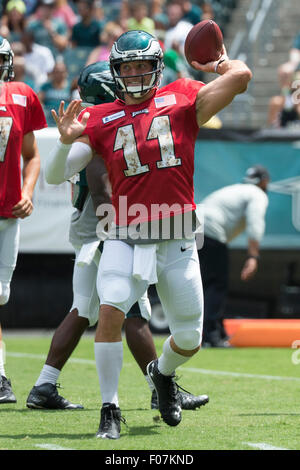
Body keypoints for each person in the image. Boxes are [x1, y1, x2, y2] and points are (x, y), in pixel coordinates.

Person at [47, 30, 251, 439]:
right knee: (110, 311)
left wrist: (217, 65)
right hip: (124, 230)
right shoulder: (101, 118)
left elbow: (242, 76)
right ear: (116, 71)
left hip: (176, 230)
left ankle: (163, 372)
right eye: (129, 67)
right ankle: (110, 409)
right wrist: (63, 143)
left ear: (157, 67)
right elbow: (56, 174)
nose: (137, 74)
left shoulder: (182, 96)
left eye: (143, 65)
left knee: (190, 336)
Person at [28, 61, 209, 412]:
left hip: (107, 225)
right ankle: (157, 389)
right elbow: (102, 193)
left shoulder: (105, 123)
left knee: (93, 308)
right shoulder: (102, 125)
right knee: (121, 311)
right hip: (109, 226)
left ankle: (46, 384)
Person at [0, 35, 47, 403]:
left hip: (7, 214)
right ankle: (1, 377)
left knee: (0, 295)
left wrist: (27, 191)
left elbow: (32, 155)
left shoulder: (21, 95)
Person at [197, 165, 270, 348]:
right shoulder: (257, 194)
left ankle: (215, 332)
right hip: (210, 232)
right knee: (216, 284)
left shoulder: (236, 190)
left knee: (206, 284)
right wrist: (253, 257)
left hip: (196, 228)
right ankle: (211, 335)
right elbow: (255, 222)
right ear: (264, 181)